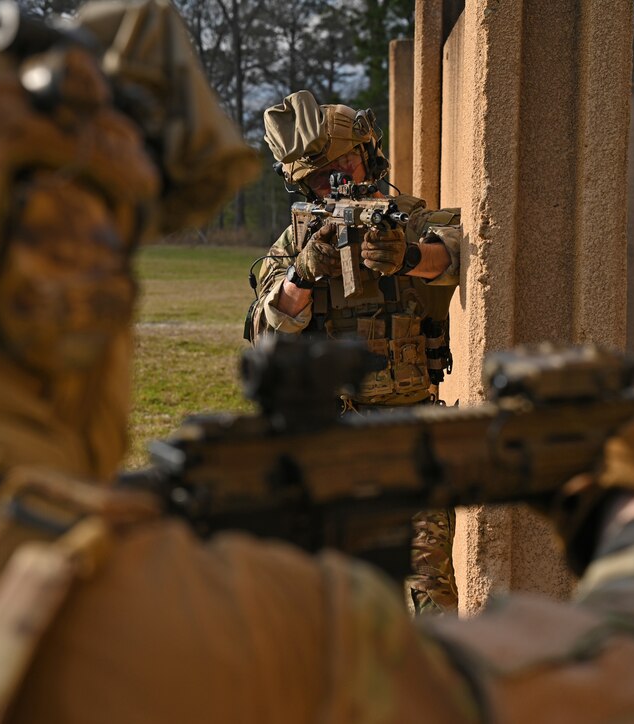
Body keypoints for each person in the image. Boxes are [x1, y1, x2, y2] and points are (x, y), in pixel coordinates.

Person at [0, 3, 634, 722]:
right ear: (58, 277)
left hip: (407, 402)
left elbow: (445, 258)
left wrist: (394, 252)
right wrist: (631, 508)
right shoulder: (215, 628)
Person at [248, 90, 463, 615]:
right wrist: (304, 272)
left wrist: (406, 255)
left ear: (369, 157)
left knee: (428, 597)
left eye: (345, 167)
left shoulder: (410, 221)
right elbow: (265, 334)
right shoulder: (291, 246)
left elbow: (454, 255)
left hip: (407, 435)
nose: (338, 184)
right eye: (321, 178)